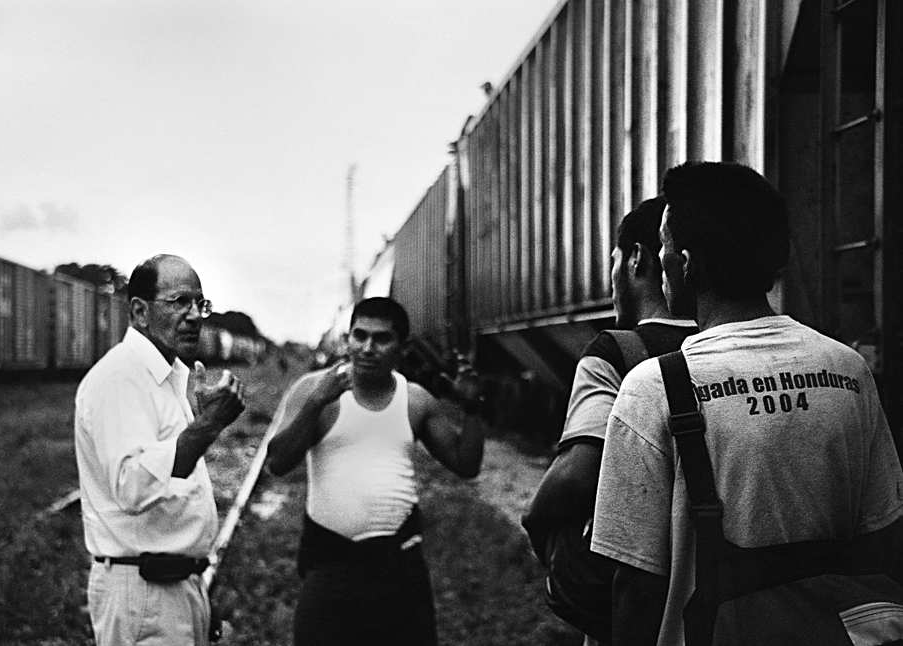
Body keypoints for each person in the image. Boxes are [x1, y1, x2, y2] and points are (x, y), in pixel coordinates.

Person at [590, 162, 903, 645]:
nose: (661, 258)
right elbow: (882, 538)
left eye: (665, 245)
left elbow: (635, 586)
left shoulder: (653, 389)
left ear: (687, 264)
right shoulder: (848, 371)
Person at [521, 196, 697, 645]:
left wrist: (535, 519)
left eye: (615, 260)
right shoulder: (724, 347)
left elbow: (580, 473)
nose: (613, 276)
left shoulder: (614, 353)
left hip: (635, 603)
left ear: (638, 258)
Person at [265, 296, 484, 646]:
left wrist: (473, 406)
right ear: (347, 338)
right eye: (359, 335)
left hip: (399, 566)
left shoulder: (415, 400)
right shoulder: (313, 389)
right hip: (331, 561)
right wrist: (316, 402)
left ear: (402, 347)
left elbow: (465, 463)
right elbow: (277, 462)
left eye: (382, 339)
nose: (368, 348)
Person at [75, 254, 246, 646]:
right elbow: (132, 485)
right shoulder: (120, 378)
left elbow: (174, 482)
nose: (193, 316)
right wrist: (209, 425)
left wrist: (194, 593)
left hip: (171, 586)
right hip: (143, 593)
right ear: (139, 311)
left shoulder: (166, 379)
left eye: (199, 304)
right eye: (178, 302)